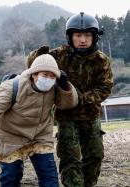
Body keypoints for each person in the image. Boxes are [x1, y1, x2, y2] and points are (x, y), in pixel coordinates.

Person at [0, 54, 79, 186]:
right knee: (11, 178)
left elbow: (68, 104)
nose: (49, 79)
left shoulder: (54, 88)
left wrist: (66, 88)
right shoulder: (12, 87)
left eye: (52, 76)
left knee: (49, 175)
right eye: (45, 75)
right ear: (34, 74)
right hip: (10, 136)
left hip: (40, 136)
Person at [27, 12, 114, 187]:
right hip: (66, 117)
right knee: (70, 158)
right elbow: (34, 66)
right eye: (78, 35)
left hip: (91, 115)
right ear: (70, 37)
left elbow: (105, 88)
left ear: (94, 37)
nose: (83, 39)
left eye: (87, 35)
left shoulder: (101, 60)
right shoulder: (60, 55)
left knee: (95, 156)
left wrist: (79, 98)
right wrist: (39, 54)